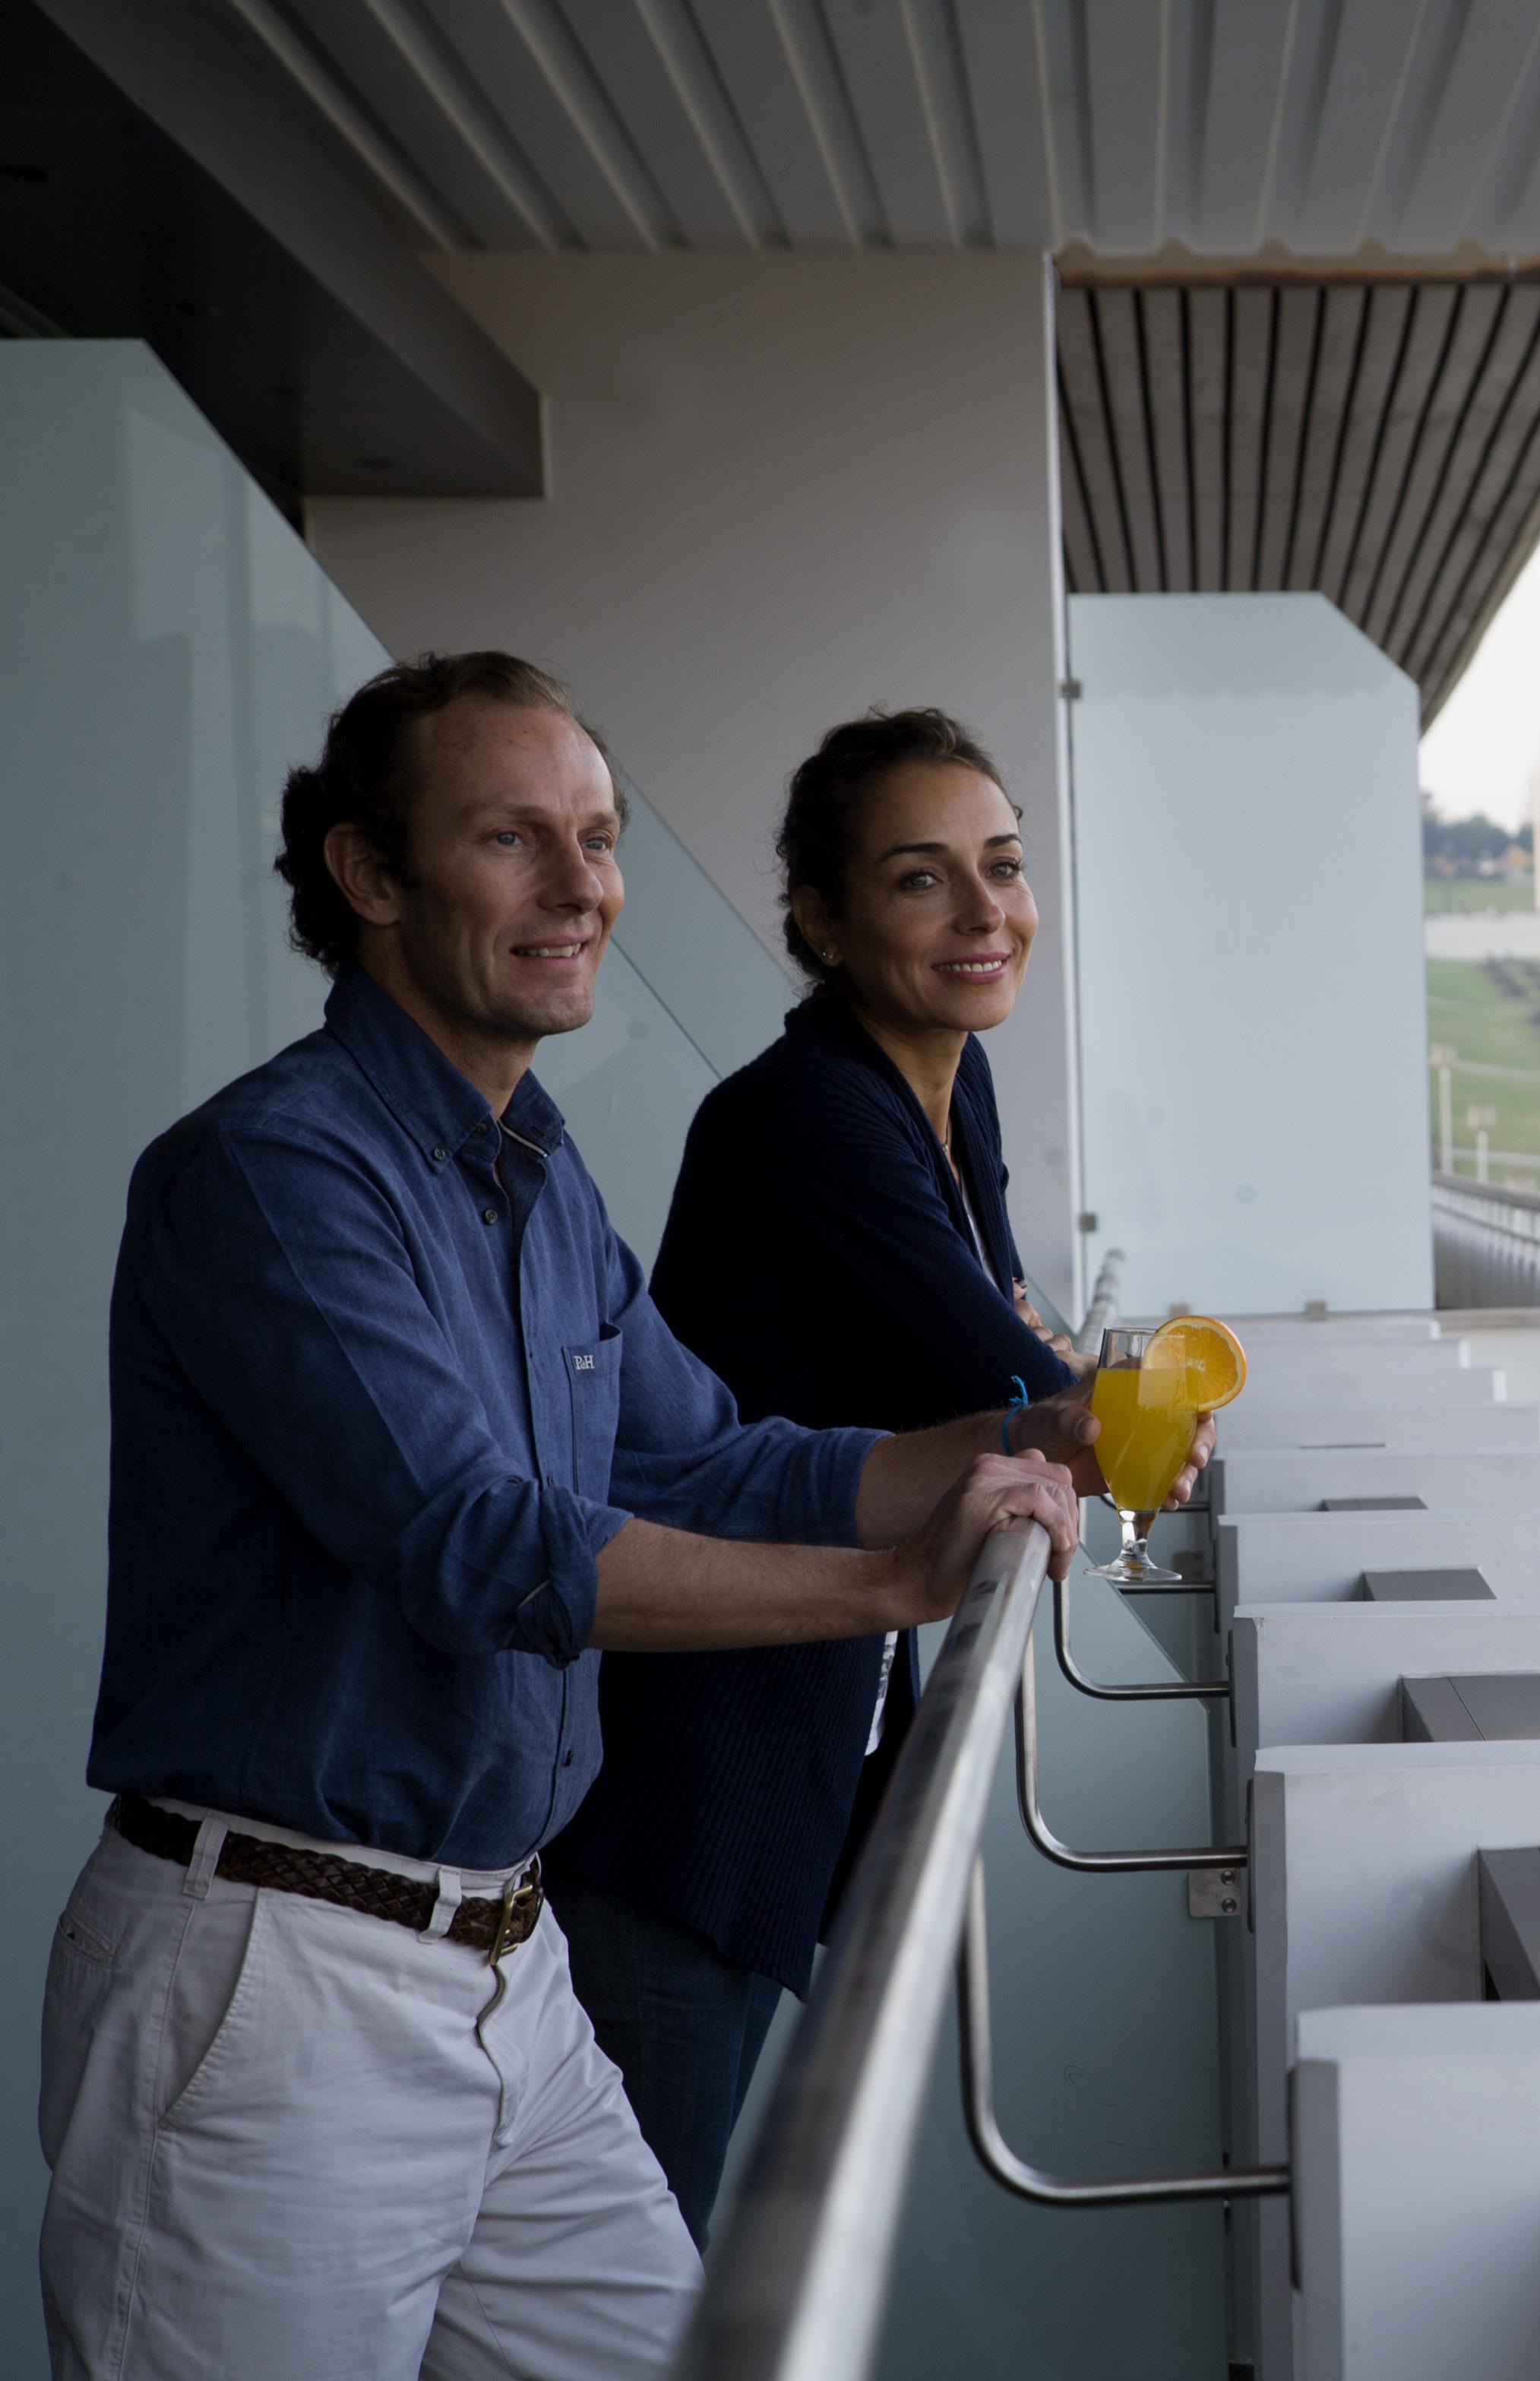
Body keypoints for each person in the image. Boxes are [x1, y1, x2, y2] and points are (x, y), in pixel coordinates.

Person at [40, 654, 1133, 2379]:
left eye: (600, 837)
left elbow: (707, 1456)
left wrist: (1030, 1433)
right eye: (513, 838)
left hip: (504, 1956)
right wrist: (888, 1582)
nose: (582, 887)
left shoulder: (533, 1166)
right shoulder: (270, 1173)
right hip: (280, 1984)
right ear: (372, 876)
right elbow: (476, 1542)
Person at [546, 709, 1120, 2237]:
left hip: (802, 1735)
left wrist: (1065, 1386)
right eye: (924, 879)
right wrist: (1109, 1401)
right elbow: (1009, 1378)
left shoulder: (943, 1079)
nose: (986, 913)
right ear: (822, 917)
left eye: (1001, 867)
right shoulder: (806, 1115)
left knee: (678, 2231)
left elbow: (1006, 1323)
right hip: (689, 1781)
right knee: (650, 2260)